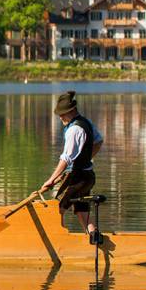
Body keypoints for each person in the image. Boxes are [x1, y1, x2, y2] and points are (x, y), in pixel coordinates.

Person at [40, 91, 105, 244]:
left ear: (71, 111)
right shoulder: (85, 122)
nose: (60, 117)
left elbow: (66, 159)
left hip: (76, 177)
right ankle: (94, 237)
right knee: (81, 210)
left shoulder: (74, 130)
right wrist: (86, 158)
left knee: (56, 209)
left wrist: (51, 180)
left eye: (62, 114)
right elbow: (99, 141)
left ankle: (58, 243)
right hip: (88, 176)